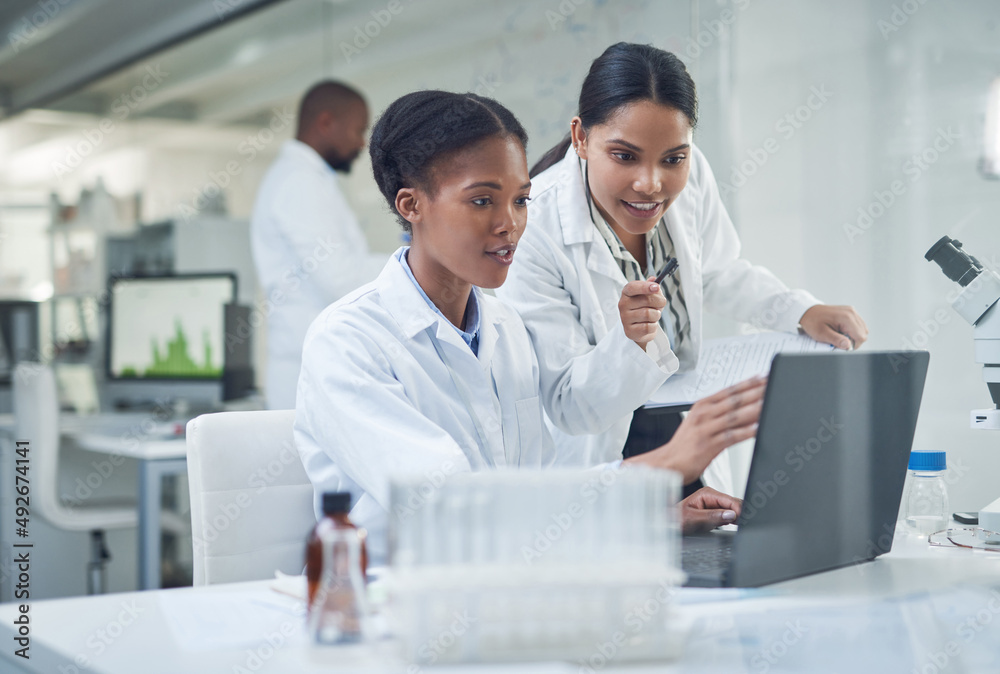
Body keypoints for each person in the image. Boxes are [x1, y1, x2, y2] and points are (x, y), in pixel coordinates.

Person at [295, 89, 765, 565]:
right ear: (411, 205)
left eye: (521, 200)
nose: (510, 224)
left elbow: (538, 495)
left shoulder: (505, 330)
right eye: (482, 201)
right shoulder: (348, 342)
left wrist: (650, 517)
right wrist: (662, 465)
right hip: (396, 603)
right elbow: (451, 506)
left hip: (507, 588)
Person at [496, 43, 869, 478]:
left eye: (673, 158)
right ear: (581, 137)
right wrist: (630, 342)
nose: (651, 183)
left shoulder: (693, 174)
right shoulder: (533, 226)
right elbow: (567, 404)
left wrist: (799, 310)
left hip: (685, 429)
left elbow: (715, 271)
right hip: (600, 459)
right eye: (624, 156)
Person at [251, 80, 387, 410]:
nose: (361, 142)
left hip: (313, 367)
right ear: (326, 123)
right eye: (358, 130)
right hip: (306, 373)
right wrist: (417, 261)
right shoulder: (299, 183)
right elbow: (340, 281)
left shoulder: (306, 180)